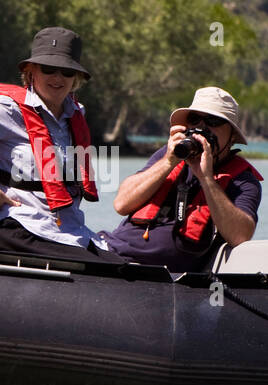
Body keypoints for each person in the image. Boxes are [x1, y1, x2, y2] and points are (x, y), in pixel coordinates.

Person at [0, 26, 125, 263]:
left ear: (75, 78)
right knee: (104, 269)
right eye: (48, 69)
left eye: (66, 72)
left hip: (66, 231)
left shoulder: (76, 114)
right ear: (30, 71)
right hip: (18, 227)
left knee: (124, 267)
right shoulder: (7, 109)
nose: (57, 78)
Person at [102, 87, 261, 273]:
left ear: (232, 135)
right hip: (111, 254)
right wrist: (169, 161)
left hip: (157, 276)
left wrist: (206, 178)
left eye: (213, 121)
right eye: (195, 120)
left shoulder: (243, 181)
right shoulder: (170, 155)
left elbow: (240, 235)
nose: (202, 128)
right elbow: (121, 204)